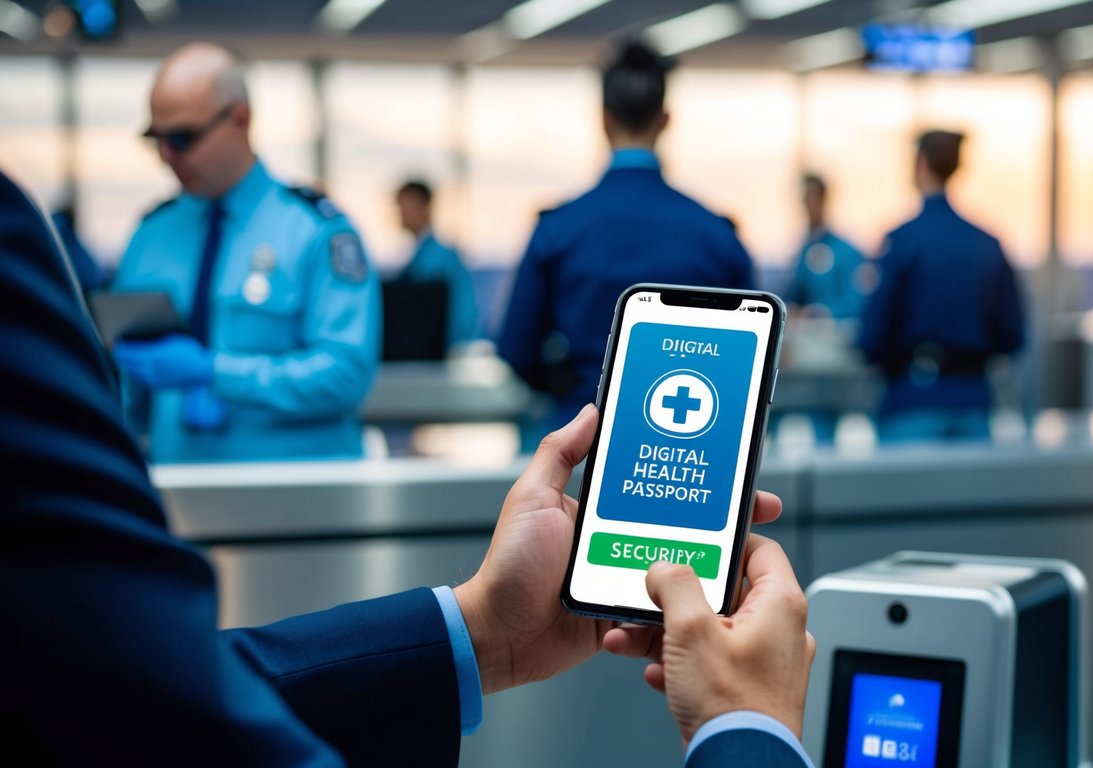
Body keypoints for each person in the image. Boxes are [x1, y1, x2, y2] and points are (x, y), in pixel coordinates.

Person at [0, 169, 814, 766]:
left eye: (184, 134)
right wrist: (748, 726)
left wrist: (485, 631)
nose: (171, 155)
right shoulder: (713, 226)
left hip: (315, 473)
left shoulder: (546, 223)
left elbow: (116, 697)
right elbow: (125, 696)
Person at [111, 43, 379, 463]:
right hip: (176, 492)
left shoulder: (315, 230)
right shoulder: (151, 235)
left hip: (297, 499)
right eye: (156, 139)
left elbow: (345, 375)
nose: (167, 156)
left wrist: (215, 372)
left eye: (183, 138)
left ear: (240, 119)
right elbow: (125, 391)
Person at [497, 40, 753, 432]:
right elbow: (748, 359)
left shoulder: (559, 229)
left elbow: (516, 349)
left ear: (604, 119)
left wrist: (567, 384)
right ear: (666, 120)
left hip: (580, 438)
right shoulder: (715, 234)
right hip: (685, 447)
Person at [857, 130, 1025, 442]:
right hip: (974, 401)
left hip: (912, 402)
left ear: (920, 163)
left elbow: (873, 333)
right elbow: (1012, 334)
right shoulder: (987, 242)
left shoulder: (903, 241)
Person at [394, 179, 482, 348]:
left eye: (405, 206)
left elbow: (464, 314)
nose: (401, 214)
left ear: (424, 206)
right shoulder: (420, 256)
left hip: (440, 355)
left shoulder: (443, 258)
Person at [787, 172, 866, 320]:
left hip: (835, 336)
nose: (808, 204)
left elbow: (855, 302)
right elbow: (796, 294)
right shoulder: (805, 250)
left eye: (812, 197)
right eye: (805, 198)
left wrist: (819, 313)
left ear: (823, 199)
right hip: (805, 334)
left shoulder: (845, 251)